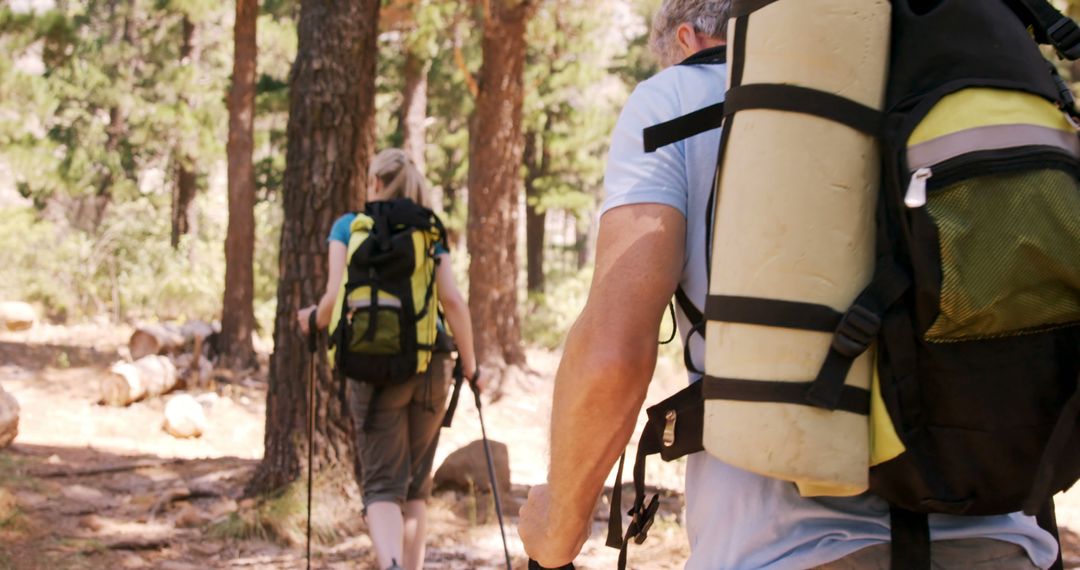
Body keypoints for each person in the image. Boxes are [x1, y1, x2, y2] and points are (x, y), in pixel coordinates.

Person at [516, 1, 1060, 568]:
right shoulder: (941, 79)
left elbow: (613, 352)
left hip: (783, 551)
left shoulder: (677, 96)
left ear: (688, 38)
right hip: (1005, 537)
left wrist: (558, 528)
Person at [298, 148, 480, 570]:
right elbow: (452, 300)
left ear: (376, 183)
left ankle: (392, 566)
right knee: (416, 488)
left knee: (381, 487)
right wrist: (471, 365)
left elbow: (330, 302)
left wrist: (310, 320)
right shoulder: (429, 230)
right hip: (432, 364)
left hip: (372, 371)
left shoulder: (348, 227)